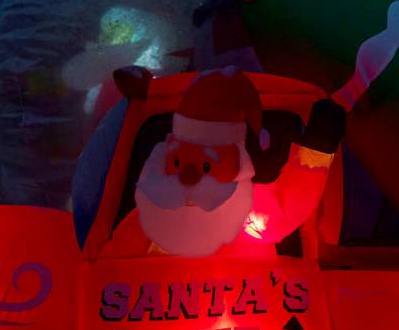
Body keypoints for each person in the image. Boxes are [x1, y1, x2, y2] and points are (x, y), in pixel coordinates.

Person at [104, 67, 345, 257]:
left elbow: (291, 203)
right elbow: (111, 268)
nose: (189, 177)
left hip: (250, 292)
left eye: (206, 166)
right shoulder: (153, 213)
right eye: (177, 162)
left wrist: (317, 147)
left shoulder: (249, 212)